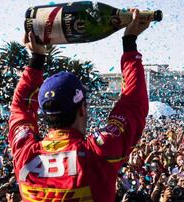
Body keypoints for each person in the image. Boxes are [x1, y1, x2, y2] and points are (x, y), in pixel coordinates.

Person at [8, 9, 150, 202]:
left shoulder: (25, 154)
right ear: (82, 109)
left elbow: (20, 109)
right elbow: (133, 105)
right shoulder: (98, 153)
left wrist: (36, 59)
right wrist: (129, 42)